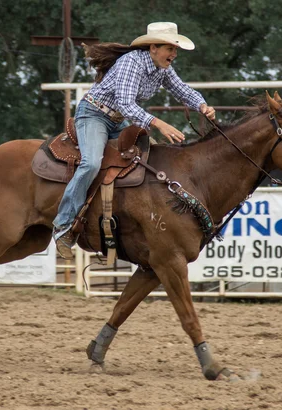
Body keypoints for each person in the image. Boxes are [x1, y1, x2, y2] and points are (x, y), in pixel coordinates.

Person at [52, 22, 216, 258]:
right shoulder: (132, 62)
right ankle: (63, 225)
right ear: (153, 48)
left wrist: (202, 105)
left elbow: (182, 89)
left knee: (149, 160)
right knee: (91, 163)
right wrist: (158, 123)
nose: (174, 53)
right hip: (93, 114)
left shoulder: (162, 69)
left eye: (175, 48)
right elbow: (126, 104)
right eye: (170, 48)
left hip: (117, 121)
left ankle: (123, 223)